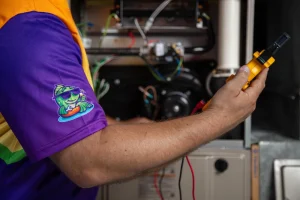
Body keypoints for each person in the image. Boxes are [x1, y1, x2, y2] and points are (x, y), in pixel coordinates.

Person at [0, 0, 268, 199]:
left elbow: (35, 110)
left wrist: (114, 128)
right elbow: (88, 163)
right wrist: (220, 118)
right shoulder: (31, 30)